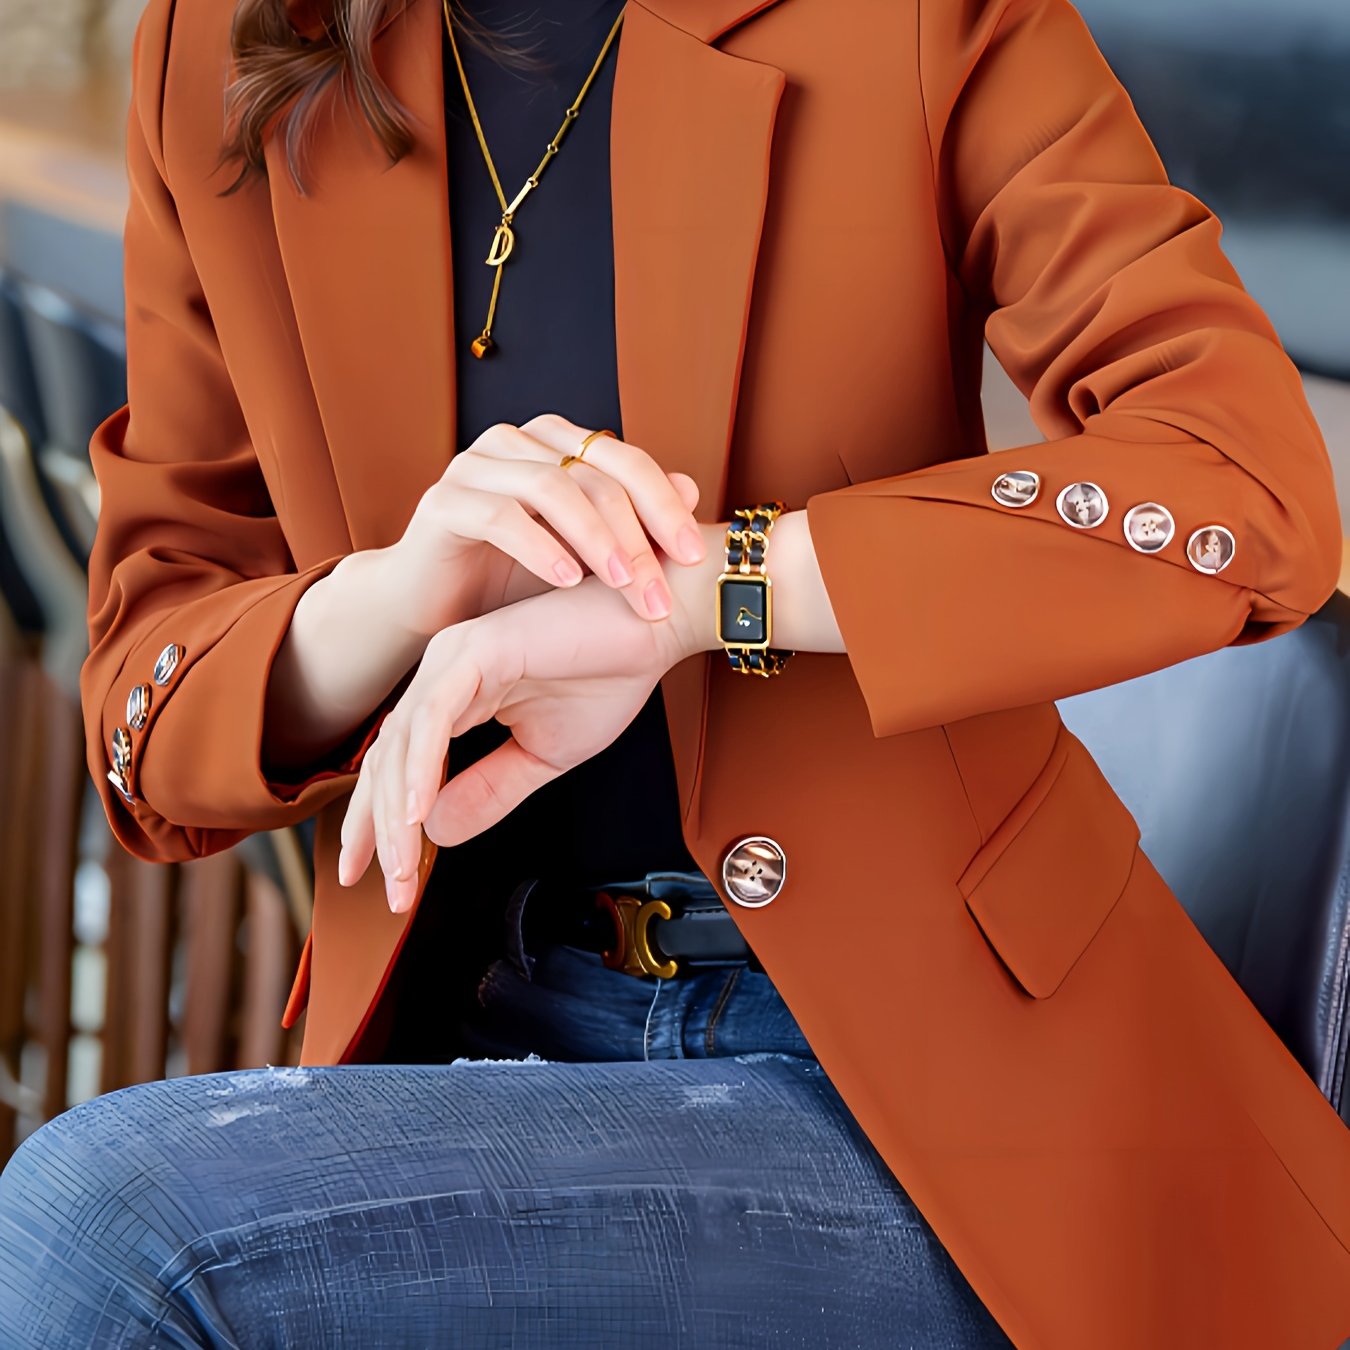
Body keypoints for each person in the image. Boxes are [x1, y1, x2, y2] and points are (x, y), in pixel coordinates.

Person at [2, 0, 1348, 1345]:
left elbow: (1242, 484)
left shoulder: (921, 18)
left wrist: (712, 592)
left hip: (938, 1103)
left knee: (115, 1221)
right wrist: (403, 593)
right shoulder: (223, 43)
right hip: (486, 1028)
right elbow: (145, 712)